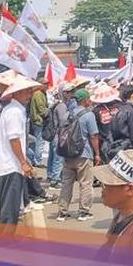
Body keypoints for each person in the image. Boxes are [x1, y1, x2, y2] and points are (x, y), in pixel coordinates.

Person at [0, 74, 43, 234]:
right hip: (10, 166)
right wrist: (23, 162)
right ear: (15, 93)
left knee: (12, 208)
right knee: (10, 211)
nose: (28, 95)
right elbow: (14, 139)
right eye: (25, 91)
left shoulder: (14, 110)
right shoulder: (14, 111)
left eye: (29, 91)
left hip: (9, 164)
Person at [55, 88, 100, 222]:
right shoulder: (88, 115)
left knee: (66, 184)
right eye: (89, 99)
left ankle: (62, 212)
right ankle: (83, 212)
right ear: (85, 100)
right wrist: (97, 153)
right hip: (84, 154)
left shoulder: (66, 115)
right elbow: (93, 136)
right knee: (85, 183)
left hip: (67, 154)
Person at [28, 79, 48, 168]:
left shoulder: (40, 93)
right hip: (38, 121)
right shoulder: (39, 94)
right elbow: (41, 109)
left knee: (35, 142)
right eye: (45, 84)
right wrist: (49, 112)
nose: (47, 86)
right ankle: (38, 161)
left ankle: (33, 160)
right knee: (39, 142)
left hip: (36, 120)